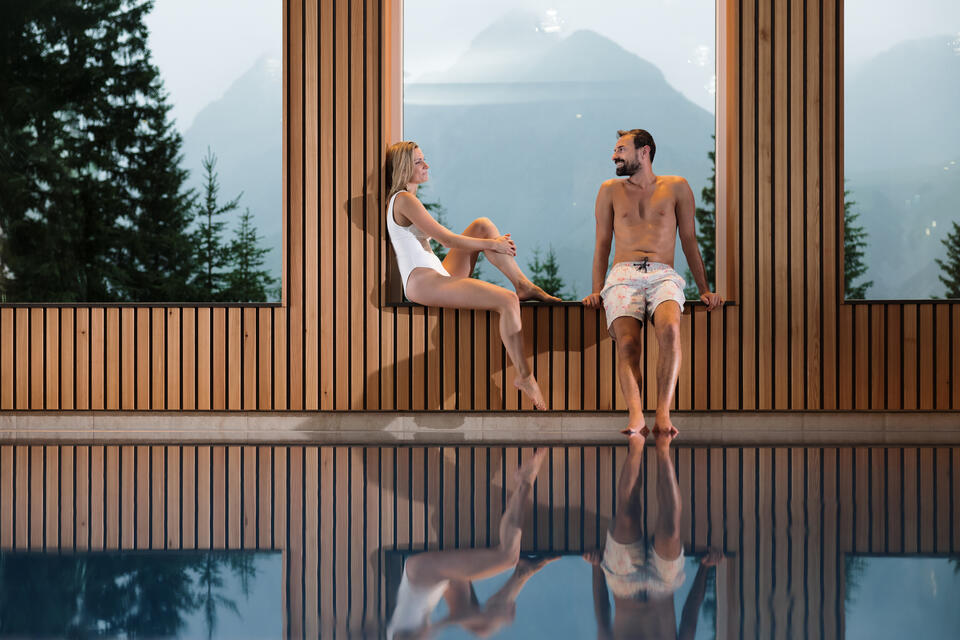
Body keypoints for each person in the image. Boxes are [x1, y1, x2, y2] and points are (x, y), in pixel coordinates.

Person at [385, 141, 559, 410]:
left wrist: (490, 240)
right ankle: (525, 377)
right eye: (419, 162)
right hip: (421, 281)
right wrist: (493, 245)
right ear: (405, 167)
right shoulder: (403, 199)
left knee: (482, 225)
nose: (426, 165)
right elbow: (446, 240)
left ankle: (523, 284)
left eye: (424, 159)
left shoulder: (408, 199)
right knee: (507, 301)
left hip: (436, 273)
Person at [582, 129, 723, 435]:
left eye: (621, 149)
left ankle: (662, 414)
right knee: (629, 344)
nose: (614, 155)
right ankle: (636, 416)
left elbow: (689, 240)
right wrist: (596, 291)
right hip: (622, 275)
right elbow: (602, 245)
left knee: (671, 330)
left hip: (663, 274)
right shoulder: (609, 190)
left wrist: (704, 289)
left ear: (644, 151)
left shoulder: (677, 187)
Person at [386, 449, 553, 639]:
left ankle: (525, 480)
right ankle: (523, 573)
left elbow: (416, 634)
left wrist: (449, 622)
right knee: (482, 628)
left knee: (507, 557)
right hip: (435, 585)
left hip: (423, 574)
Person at [584, 428, 723, 640]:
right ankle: (663, 447)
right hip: (664, 584)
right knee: (670, 531)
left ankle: (636, 446)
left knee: (627, 516)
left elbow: (603, 618)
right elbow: (689, 620)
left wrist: (597, 567)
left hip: (622, 582)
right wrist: (704, 567)